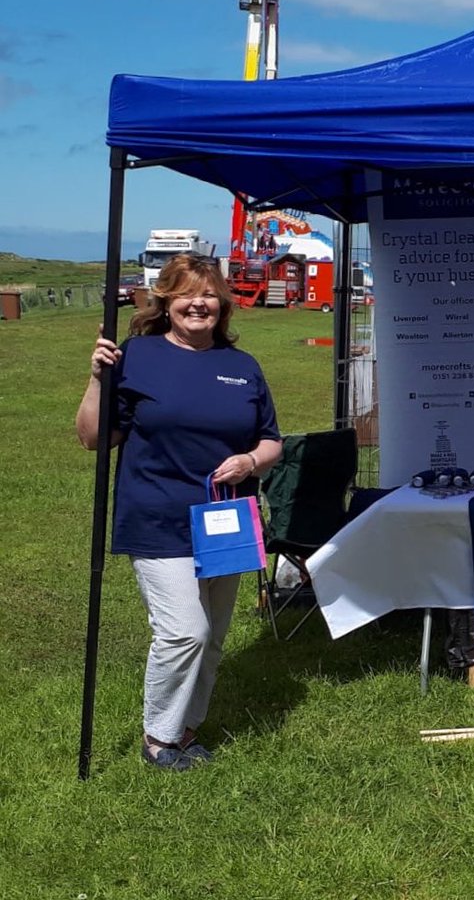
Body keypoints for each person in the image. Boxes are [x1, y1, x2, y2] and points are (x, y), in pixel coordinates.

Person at [76, 253, 283, 771]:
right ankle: (160, 739)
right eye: (187, 294)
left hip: (225, 521)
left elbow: (272, 440)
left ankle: (188, 727)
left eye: (209, 294)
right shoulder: (137, 356)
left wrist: (251, 460)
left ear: (223, 304)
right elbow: (92, 438)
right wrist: (99, 378)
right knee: (183, 631)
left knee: (212, 636)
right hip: (156, 516)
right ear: (166, 302)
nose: (199, 303)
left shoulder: (243, 367)